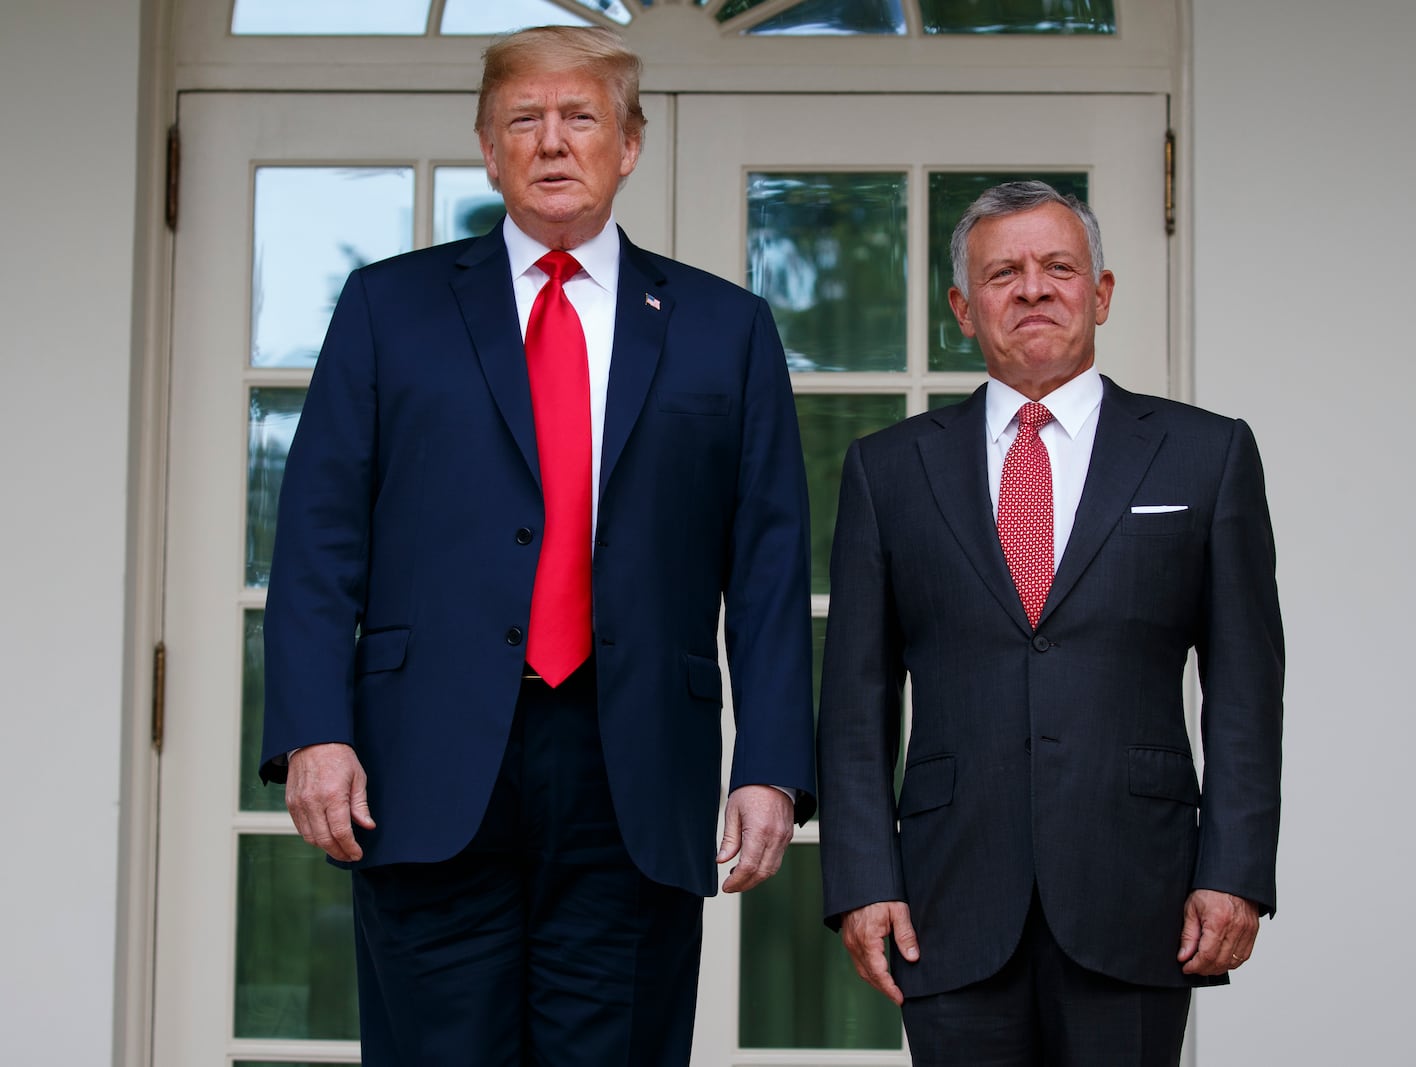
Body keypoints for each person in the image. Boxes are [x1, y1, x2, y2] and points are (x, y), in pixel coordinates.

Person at [259, 25, 816, 1067]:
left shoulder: (723, 327)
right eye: (525, 118)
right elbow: (317, 534)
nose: (553, 142)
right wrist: (311, 729)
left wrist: (774, 763)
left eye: (580, 117)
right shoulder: (391, 307)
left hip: (635, 762)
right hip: (423, 763)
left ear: (629, 144)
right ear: (487, 144)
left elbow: (772, 559)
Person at [817, 180, 1283, 1066]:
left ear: (1100, 293)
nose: (1033, 288)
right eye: (1003, 272)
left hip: (1140, 891)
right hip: (948, 897)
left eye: (1058, 267)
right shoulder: (888, 470)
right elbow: (854, 700)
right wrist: (864, 879)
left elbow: (1247, 691)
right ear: (963, 308)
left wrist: (1234, 869)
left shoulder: (1206, 453)